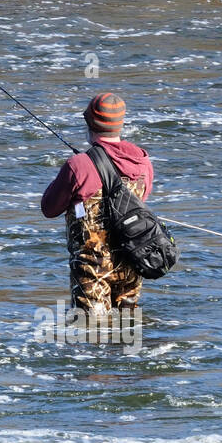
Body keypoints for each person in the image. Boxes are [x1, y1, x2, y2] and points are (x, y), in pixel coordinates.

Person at [40, 92, 154, 312]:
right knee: (129, 331)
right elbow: (141, 201)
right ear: (120, 124)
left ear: (89, 123)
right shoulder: (142, 160)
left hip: (92, 269)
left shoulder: (79, 165)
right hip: (132, 260)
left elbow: (49, 208)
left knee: (92, 335)